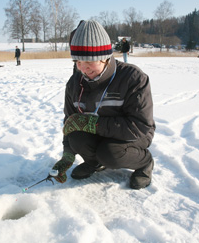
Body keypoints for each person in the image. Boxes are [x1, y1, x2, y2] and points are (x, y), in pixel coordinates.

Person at [51, 20, 156, 190]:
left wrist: (93, 124)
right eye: (78, 62)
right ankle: (95, 163)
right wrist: (68, 155)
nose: (84, 69)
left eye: (89, 63)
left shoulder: (133, 78)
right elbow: (70, 122)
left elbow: (140, 126)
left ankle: (144, 162)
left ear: (105, 58)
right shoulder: (74, 83)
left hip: (134, 135)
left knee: (110, 153)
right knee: (76, 137)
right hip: (101, 133)